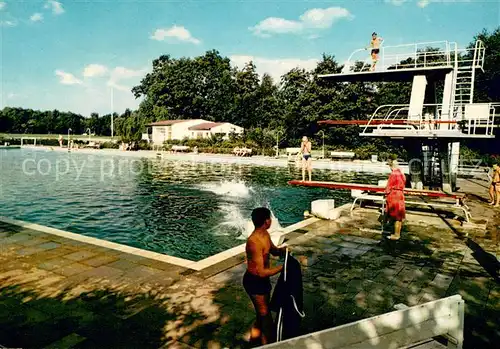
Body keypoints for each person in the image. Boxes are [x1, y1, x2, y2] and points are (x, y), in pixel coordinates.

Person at [243, 207, 287, 345]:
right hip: (254, 281)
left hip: (262, 281)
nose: (271, 220)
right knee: (266, 319)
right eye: (270, 218)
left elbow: (273, 250)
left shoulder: (265, 235)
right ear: (266, 221)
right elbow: (261, 272)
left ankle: (254, 342)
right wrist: (282, 268)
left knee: (261, 315)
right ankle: (269, 345)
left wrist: (283, 252)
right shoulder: (254, 242)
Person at [384, 160, 406, 240]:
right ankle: (397, 233)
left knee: (395, 215)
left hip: (394, 195)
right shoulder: (401, 173)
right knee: (399, 216)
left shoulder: (393, 174)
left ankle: (396, 235)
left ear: (391, 166)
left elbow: (389, 187)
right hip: (400, 195)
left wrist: (385, 194)